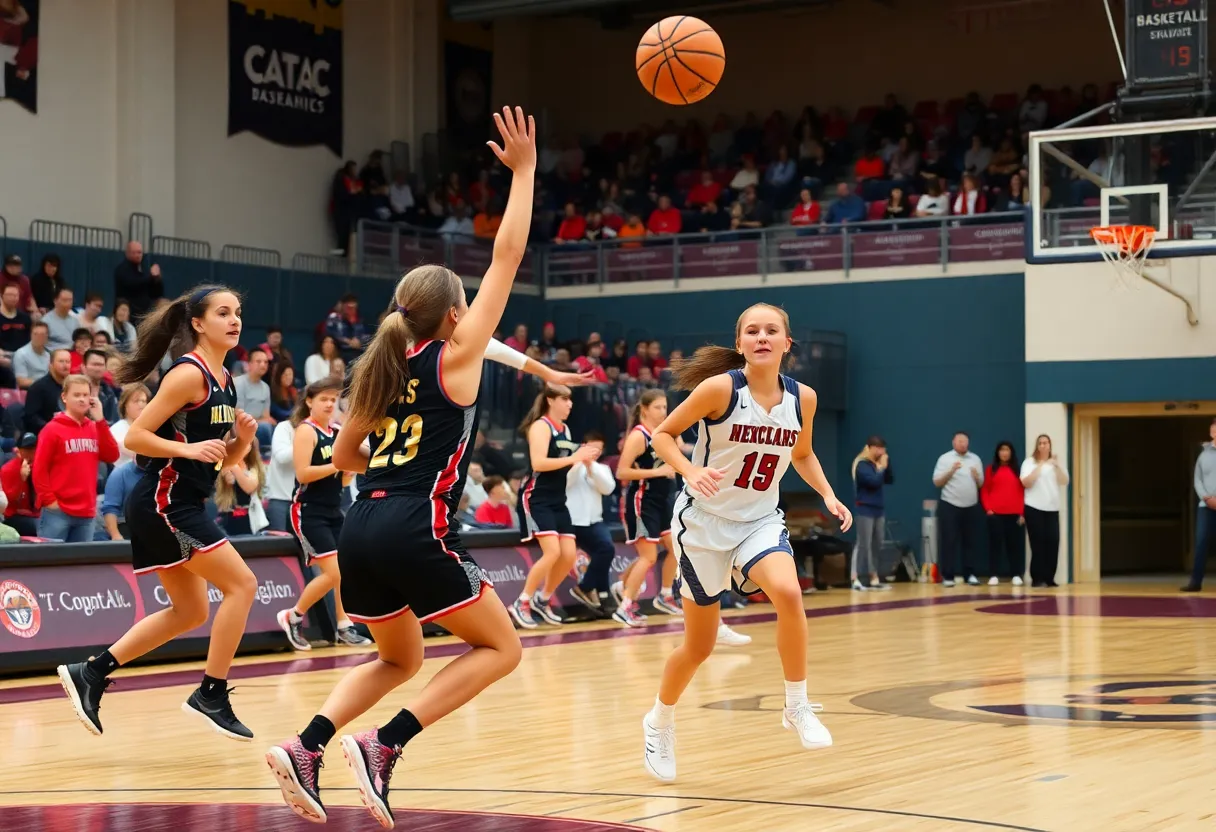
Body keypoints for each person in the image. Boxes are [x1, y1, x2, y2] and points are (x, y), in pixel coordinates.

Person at [264, 106, 536, 828]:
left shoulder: (378, 371)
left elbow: (347, 455)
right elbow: (505, 257)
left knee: (400, 655)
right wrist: (526, 174)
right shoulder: (458, 354)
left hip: (361, 524)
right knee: (502, 646)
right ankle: (385, 745)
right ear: (453, 316)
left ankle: (307, 744)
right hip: (418, 521)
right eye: (465, 306)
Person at [640, 302, 852, 783]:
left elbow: (802, 453)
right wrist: (691, 470)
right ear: (739, 344)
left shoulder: (805, 399)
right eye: (751, 331)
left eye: (770, 330)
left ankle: (796, 705)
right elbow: (663, 435)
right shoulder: (719, 389)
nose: (761, 337)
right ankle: (659, 721)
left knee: (790, 593)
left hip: (758, 520)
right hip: (704, 526)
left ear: (786, 343)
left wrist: (828, 493)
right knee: (699, 647)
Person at [56, 285, 260, 742]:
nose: (234, 320)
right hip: (162, 502)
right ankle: (212, 692)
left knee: (189, 612)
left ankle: (91, 672)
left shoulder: (224, 379)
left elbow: (214, 461)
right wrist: (184, 447)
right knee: (243, 584)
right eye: (223, 312)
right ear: (197, 323)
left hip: (181, 499)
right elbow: (135, 438)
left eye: (238, 313)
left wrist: (241, 444)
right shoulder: (188, 376)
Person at [275, 377, 370, 651]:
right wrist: (337, 464)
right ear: (309, 402)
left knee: (345, 571)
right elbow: (304, 473)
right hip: (307, 511)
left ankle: (343, 627)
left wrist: (348, 473)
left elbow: (339, 481)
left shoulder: (338, 431)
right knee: (335, 572)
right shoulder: (306, 431)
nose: (330, 404)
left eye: (333, 399)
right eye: (323, 399)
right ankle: (292, 616)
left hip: (332, 509)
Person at [510, 383, 599, 628]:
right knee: (552, 552)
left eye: (570, 400)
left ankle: (543, 598)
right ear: (550, 400)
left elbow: (563, 463)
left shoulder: (566, 429)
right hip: (536, 496)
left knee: (569, 554)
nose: (570, 404)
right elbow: (539, 462)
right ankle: (522, 601)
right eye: (565, 399)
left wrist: (583, 458)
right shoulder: (540, 426)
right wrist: (574, 457)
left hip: (558, 498)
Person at [613, 389, 681, 626]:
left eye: (665, 407)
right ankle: (625, 605)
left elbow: (680, 451)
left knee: (676, 548)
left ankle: (664, 595)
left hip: (663, 500)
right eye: (658, 408)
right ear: (645, 409)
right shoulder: (638, 436)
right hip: (642, 501)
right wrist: (657, 472)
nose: (663, 412)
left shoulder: (663, 433)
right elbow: (621, 472)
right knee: (649, 557)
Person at [32, 373, 119, 541]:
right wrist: (50, 501)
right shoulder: (52, 430)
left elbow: (112, 455)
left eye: (86, 395)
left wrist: (100, 420)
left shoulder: (94, 428)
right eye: (77, 395)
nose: (82, 399)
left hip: (86, 512)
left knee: (80, 566)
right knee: (50, 563)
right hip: (58, 511)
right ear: (64, 397)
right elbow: (39, 469)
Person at [567, 430, 617, 612]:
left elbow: (608, 488)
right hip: (572, 520)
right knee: (602, 552)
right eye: (592, 448)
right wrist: (578, 462)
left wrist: (591, 468)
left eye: (599, 449)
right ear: (583, 446)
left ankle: (586, 588)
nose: (595, 452)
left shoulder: (601, 468)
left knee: (606, 550)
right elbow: (566, 483)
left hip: (594, 520)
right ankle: (604, 596)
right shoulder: (570, 464)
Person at [932, 432, 984, 587]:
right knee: (949, 541)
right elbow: (937, 482)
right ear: (953, 442)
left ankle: (970, 574)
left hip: (971, 506)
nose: (963, 444)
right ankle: (948, 575)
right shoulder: (945, 458)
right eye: (960, 441)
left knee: (970, 542)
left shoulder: (975, 459)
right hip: (950, 504)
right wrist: (951, 471)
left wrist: (976, 477)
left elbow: (981, 484)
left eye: (965, 441)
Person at [1021, 433, 1069, 588]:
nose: (1043, 445)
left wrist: (1055, 465)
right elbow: (1026, 482)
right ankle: (1037, 578)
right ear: (1037, 446)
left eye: (1046, 443)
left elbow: (1064, 480)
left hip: (1052, 508)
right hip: (1034, 507)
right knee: (1037, 543)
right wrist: (1041, 465)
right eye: (1040, 443)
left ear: (1050, 445)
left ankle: (1050, 578)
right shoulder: (1029, 462)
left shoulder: (1055, 464)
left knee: (1053, 542)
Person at [851, 436, 893, 591]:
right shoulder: (862, 465)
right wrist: (881, 468)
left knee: (877, 543)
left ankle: (873, 576)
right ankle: (856, 577)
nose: (881, 451)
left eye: (883, 448)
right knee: (863, 543)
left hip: (878, 508)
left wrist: (886, 466)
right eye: (878, 448)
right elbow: (873, 482)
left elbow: (889, 479)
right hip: (865, 508)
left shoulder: (879, 464)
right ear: (870, 448)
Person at [981, 441, 1025, 586]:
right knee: (995, 546)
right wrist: (988, 509)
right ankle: (993, 574)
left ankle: (1016, 574)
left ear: (1011, 452)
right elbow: (985, 490)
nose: (1004, 453)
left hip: (1015, 514)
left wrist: (1022, 513)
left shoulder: (1018, 470)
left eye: (1007, 450)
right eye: (1002, 450)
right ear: (997, 453)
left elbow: (1024, 492)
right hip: (995, 514)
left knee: (1015, 546)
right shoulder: (990, 469)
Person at [215, 438, 264, 537]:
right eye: (238, 445)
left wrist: (234, 465)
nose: (240, 448)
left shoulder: (253, 468)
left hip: (249, 518)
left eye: (245, 445)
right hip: (227, 516)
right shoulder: (223, 464)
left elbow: (249, 487)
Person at [0, 432, 40, 536]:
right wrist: (22, 479)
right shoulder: (8, 470)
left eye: (34, 449)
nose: (31, 453)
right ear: (18, 450)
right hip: (13, 516)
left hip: (37, 513)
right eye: (27, 450)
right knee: (39, 526)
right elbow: (7, 504)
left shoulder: (42, 466)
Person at [23, 348, 71, 433]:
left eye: (68, 362)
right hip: (46, 434)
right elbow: (31, 417)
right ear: (50, 364)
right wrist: (51, 429)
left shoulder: (73, 386)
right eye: (61, 361)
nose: (65, 365)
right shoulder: (38, 388)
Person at [109, 384, 150, 467]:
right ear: (125, 405)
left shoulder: (151, 428)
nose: (141, 405)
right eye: (136, 401)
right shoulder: (117, 428)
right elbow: (133, 452)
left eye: (144, 401)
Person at [13, 319, 50, 389]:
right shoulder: (21, 354)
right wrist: (45, 384)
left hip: (46, 389)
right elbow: (21, 381)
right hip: (30, 390)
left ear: (47, 337)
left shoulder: (49, 355)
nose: (38, 337)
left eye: (42, 334)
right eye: (35, 334)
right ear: (31, 335)